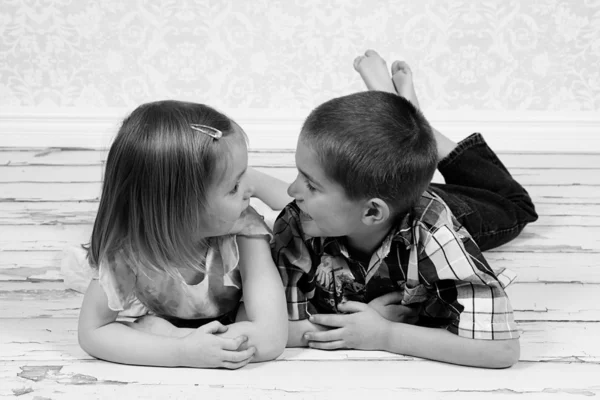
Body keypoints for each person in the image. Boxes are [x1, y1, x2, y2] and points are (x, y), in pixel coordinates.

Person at [272, 50, 538, 368]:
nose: (291, 190)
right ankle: (402, 122)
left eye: (311, 184)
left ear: (371, 212)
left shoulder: (436, 232)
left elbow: (502, 350)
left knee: (515, 207)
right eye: (298, 173)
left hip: (443, 210)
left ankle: (414, 121)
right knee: (397, 174)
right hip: (388, 197)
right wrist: (359, 327)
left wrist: (386, 335)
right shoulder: (298, 221)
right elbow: (269, 326)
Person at [75, 100, 290, 370]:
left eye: (245, 176)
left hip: (235, 314)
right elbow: (92, 332)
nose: (248, 191)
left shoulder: (244, 232)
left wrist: (173, 337)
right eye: (235, 186)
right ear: (181, 208)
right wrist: (180, 353)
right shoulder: (129, 252)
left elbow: (271, 337)